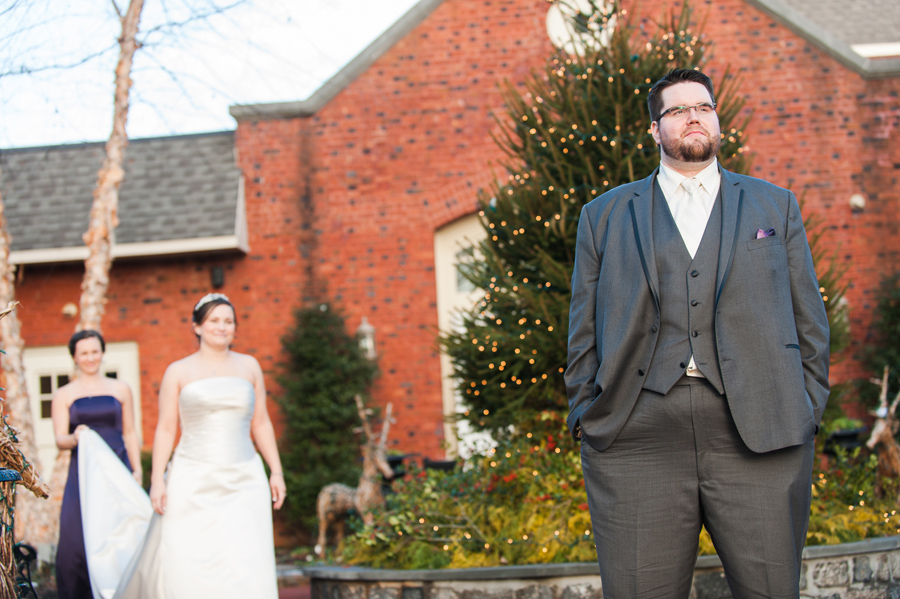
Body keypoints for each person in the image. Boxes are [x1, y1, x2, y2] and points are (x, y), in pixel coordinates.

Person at [565, 68, 830, 598]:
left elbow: (810, 324)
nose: (694, 117)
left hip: (761, 437)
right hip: (637, 439)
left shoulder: (773, 206)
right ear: (655, 131)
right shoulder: (605, 216)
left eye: (704, 107)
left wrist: (805, 408)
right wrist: (586, 417)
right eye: (678, 110)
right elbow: (583, 332)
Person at [114, 293, 285, 598]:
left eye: (228, 321)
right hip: (192, 478)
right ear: (196, 327)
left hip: (244, 478)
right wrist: (157, 481)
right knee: (189, 555)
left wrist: (276, 471)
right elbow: (166, 428)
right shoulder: (178, 371)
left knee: (244, 557)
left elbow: (261, 422)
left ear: (235, 327)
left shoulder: (250, 367)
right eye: (214, 321)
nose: (222, 327)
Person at [52, 330, 143, 599]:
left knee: (124, 532)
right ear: (75, 357)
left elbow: (129, 432)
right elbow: (59, 439)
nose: (90, 358)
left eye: (95, 352)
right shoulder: (64, 394)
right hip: (84, 474)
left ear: (102, 353)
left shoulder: (120, 388)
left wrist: (136, 469)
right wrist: (75, 436)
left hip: (119, 467)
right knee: (75, 539)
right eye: (84, 353)